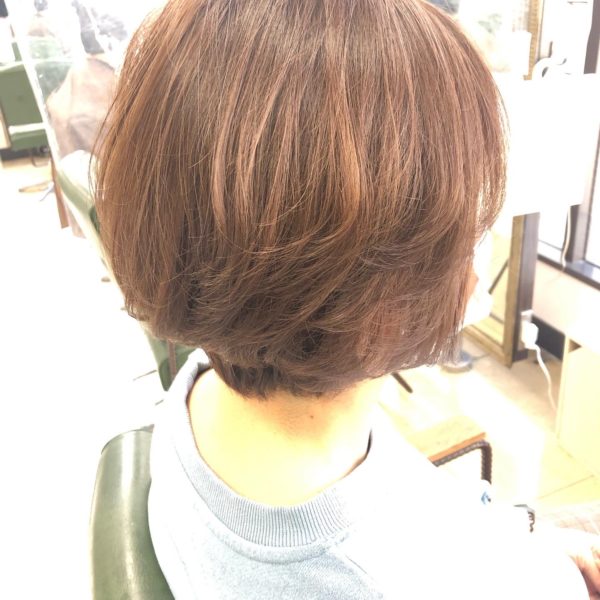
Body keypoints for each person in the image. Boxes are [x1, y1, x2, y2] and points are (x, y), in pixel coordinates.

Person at [95, 0, 600, 598]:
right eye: (468, 218)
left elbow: (422, 514)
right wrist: (541, 570)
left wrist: (522, 535)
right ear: (376, 290)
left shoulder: (201, 388)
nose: (479, 235)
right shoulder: (421, 582)